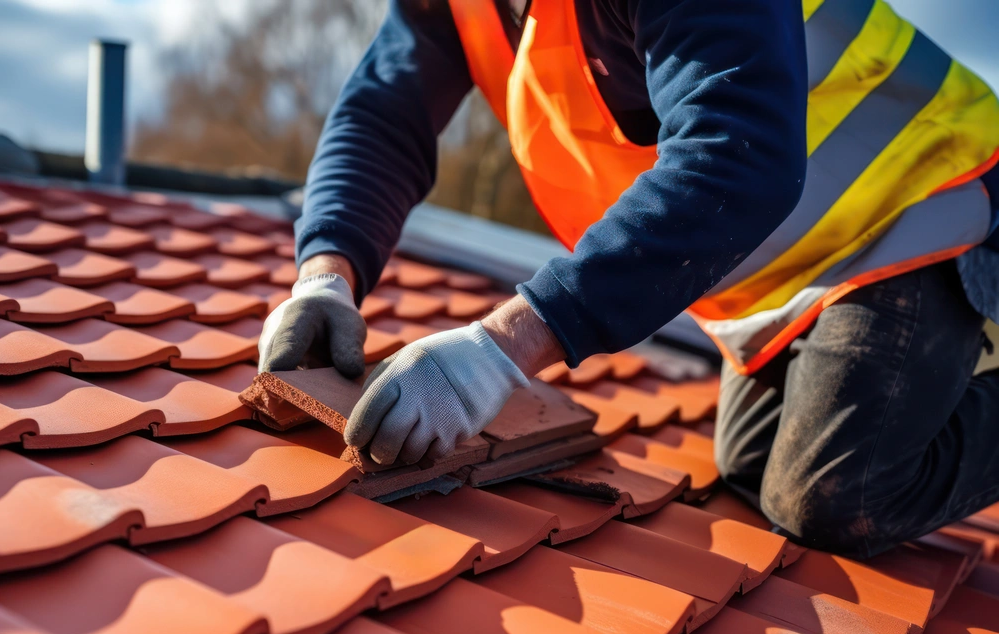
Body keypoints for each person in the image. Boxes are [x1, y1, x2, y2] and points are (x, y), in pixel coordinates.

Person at [257, 0, 999, 559]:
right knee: (749, 470)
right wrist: (327, 273)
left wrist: (499, 349)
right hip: (792, 277)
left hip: (920, 203)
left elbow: (739, 157)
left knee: (835, 496)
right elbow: (385, 114)